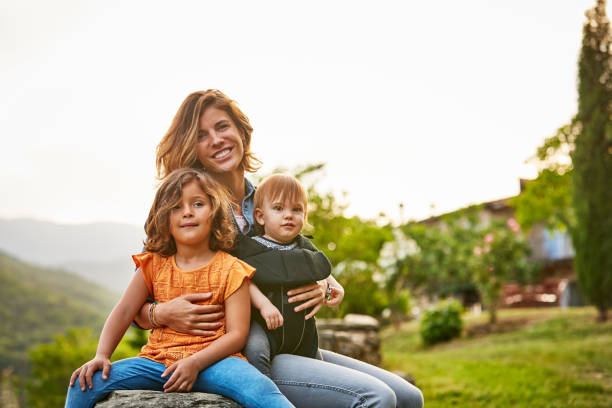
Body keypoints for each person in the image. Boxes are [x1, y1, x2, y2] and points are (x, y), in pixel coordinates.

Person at [134, 89, 424, 408]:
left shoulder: (267, 199)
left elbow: (299, 250)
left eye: (222, 127)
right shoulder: (190, 209)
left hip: (293, 341)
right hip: (241, 353)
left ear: (242, 132)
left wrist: (325, 283)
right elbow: (138, 298)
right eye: (202, 135)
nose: (216, 140)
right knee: (377, 398)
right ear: (192, 147)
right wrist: (159, 312)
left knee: (410, 398)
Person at [65, 168, 294, 408]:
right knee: (83, 383)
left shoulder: (232, 269)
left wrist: (194, 363)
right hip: (157, 362)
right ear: (163, 217)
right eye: (176, 207)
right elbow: (124, 312)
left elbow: (237, 335)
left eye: (198, 204)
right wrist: (102, 356)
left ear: (214, 212)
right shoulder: (153, 264)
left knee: (262, 390)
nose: (187, 212)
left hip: (217, 363)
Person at [232, 173, 333, 376]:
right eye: (278, 208)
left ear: (304, 216)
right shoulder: (249, 248)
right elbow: (240, 278)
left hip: (303, 334)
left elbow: (321, 272)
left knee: (320, 371)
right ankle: (263, 395)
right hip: (264, 325)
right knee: (255, 351)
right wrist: (263, 305)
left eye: (296, 210)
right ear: (260, 216)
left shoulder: (305, 247)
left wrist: (327, 287)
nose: (288, 215)